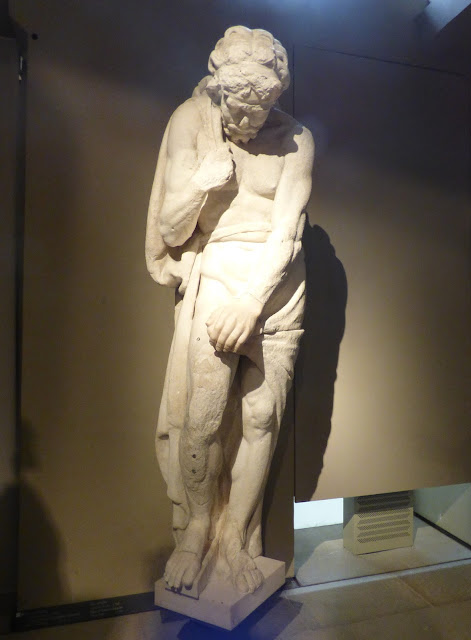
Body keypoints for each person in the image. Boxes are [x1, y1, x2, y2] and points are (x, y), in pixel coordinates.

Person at [145, 25, 314, 594]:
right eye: (238, 108)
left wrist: (252, 302)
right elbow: (171, 230)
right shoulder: (190, 122)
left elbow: (288, 231)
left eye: (260, 109)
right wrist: (202, 183)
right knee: (204, 415)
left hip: (277, 285)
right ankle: (198, 531)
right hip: (217, 271)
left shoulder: (297, 140)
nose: (248, 121)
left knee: (262, 418)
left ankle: (236, 536)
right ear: (218, 88)